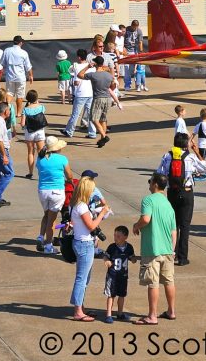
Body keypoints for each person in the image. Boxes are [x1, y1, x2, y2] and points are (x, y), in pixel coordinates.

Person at [155, 132, 206, 266]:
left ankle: (172, 253)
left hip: (172, 192)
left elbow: (159, 173)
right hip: (187, 193)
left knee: (173, 225)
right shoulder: (190, 157)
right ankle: (182, 257)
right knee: (185, 226)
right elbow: (205, 168)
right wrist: (197, 151)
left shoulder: (167, 156)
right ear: (186, 144)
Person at [132, 173, 178, 325]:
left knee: (153, 283)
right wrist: (172, 249)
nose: (149, 183)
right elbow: (174, 230)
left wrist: (136, 226)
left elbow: (146, 219)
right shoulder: (168, 204)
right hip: (167, 250)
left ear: (155, 184)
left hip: (152, 249)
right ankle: (171, 311)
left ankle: (152, 316)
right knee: (169, 281)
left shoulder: (148, 200)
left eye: (150, 180)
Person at [68, 175, 106, 321]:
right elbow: (91, 226)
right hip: (84, 244)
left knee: (84, 278)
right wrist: (102, 213)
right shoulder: (82, 206)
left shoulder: (74, 204)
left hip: (80, 242)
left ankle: (80, 307)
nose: (93, 192)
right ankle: (78, 311)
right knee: (82, 278)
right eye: (91, 189)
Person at [35, 136, 72, 255]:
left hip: (43, 191)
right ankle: (48, 246)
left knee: (46, 215)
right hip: (56, 192)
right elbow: (70, 176)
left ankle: (41, 236)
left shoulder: (40, 159)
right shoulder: (62, 159)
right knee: (52, 221)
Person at [102, 226, 138, 324]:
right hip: (112, 276)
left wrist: (134, 259)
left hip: (123, 276)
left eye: (118, 236)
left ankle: (120, 313)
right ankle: (109, 314)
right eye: (115, 235)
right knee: (111, 295)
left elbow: (132, 257)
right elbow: (106, 256)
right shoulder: (112, 247)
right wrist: (107, 261)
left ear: (125, 237)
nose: (115, 238)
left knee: (122, 295)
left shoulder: (129, 247)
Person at [0, 35, 33, 126]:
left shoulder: (7, 51)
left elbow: (2, 62)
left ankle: (7, 111)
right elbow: (28, 66)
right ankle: (18, 113)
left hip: (10, 76)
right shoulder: (24, 53)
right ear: (21, 42)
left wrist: (6, 68)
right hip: (20, 77)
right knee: (20, 94)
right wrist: (30, 75)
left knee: (9, 93)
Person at [63, 49, 96, 138]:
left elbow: (76, 81)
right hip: (90, 93)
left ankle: (69, 131)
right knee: (90, 114)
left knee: (75, 114)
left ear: (78, 57)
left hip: (81, 94)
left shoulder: (76, 66)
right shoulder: (92, 67)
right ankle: (92, 133)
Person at [85, 57, 116, 147]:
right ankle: (102, 140)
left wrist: (88, 67)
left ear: (95, 63)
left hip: (98, 98)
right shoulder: (109, 75)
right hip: (107, 98)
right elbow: (113, 87)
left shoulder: (93, 75)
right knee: (103, 119)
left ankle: (104, 136)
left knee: (94, 119)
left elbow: (80, 75)